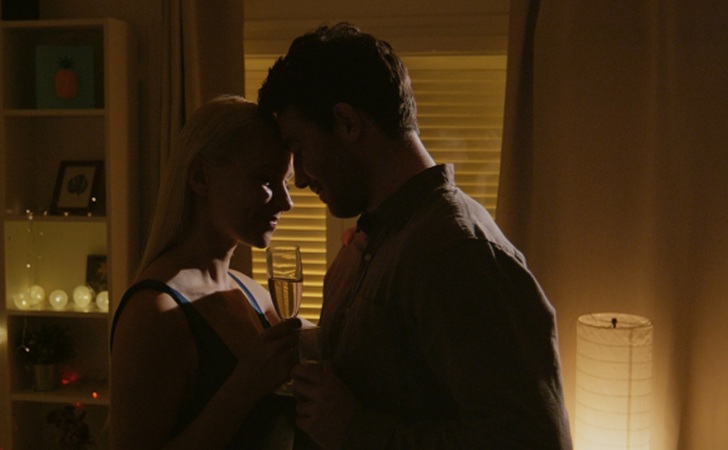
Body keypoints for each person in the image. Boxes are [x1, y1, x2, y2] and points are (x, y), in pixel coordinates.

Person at [258, 23, 573, 449]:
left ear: (347, 123)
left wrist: (358, 430)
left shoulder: (456, 252)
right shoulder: (376, 242)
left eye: (299, 147)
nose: (297, 178)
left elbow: (532, 441)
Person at [109, 95, 301, 449]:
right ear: (200, 177)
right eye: (266, 179)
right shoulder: (156, 312)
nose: (285, 202)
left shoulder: (255, 295)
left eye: (285, 182)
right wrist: (242, 389)